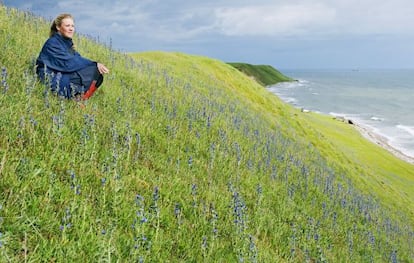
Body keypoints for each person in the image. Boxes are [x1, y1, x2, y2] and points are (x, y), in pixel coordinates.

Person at [36, 13, 109, 100]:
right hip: (52, 78)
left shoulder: (67, 44)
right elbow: (68, 63)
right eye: (67, 26)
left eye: (72, 26)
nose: (71, 29)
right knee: (93, 69)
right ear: (58, 27)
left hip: (63, 74)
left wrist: (94, 64)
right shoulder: (53, 43)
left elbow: (77, 59)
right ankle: (74, 98)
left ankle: (81, 100)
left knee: (98, 74)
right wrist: (94, 63)